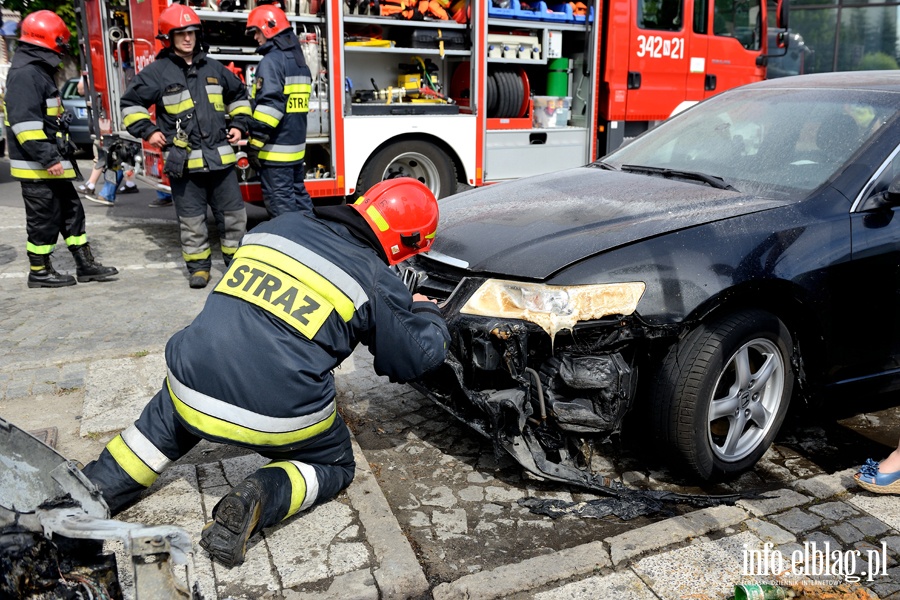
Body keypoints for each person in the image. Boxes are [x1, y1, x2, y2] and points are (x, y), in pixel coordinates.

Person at [82, 178, 450, 568]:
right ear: (407, 242)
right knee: (335, 465)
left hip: (190, 379)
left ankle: (86, 496)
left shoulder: (277, 226)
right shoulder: (377, 278)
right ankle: (260, 494)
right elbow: (417, 358)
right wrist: (424, 309)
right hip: (275, 412)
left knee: (161, 427)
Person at [119, 3, 252, 288]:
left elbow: (240, 95)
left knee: (233, 217)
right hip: (185, 162)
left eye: (192, 33)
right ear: (169, 37)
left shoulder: (214, 68)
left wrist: (239, 124)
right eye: (181, 34)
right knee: (192, 221)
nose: (188, 39)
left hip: (220, 160)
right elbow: (130, 104)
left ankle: (237, 265)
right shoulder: (157, 73)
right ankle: (199, 269)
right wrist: (149, 131)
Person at [6, 10, 118, 288]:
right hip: (38, 167)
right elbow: (24, 124)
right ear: (47, 41)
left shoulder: (36, 71)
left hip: (50, 164)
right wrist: (47, 158)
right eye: (60, 42)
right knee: (43, 219)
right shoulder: (26, 75)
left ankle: (85, 264)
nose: (62, 48)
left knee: (71, 212)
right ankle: (40, 271)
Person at [245, 4, 314, 216]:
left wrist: (255, 144)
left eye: (256, 31)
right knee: (300, 201)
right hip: (294, 149)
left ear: (269, 28)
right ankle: (314, 241)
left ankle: (291, 246)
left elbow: (270, 107)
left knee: (282, 209)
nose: (255, 38)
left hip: (275, 153)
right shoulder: (300, 62)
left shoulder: (271, 62)